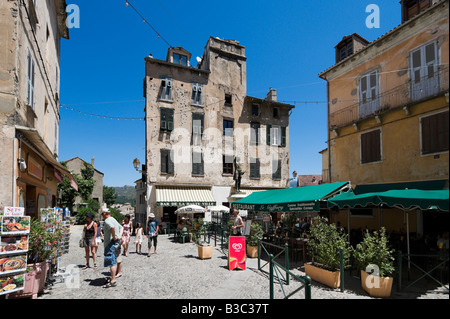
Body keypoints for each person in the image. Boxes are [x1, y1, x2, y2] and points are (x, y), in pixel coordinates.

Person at [101, 208, 123, 288]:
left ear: (104, 214)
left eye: (102, 214)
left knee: (111, 262)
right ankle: (112, 278)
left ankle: (113, 280)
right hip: (115, 243)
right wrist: (119, 236)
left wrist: (114, 237)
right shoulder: (113, 219)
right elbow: (121, 227)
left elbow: (112, 228)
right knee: (114, 260)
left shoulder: (107, 221)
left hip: (110, 243)